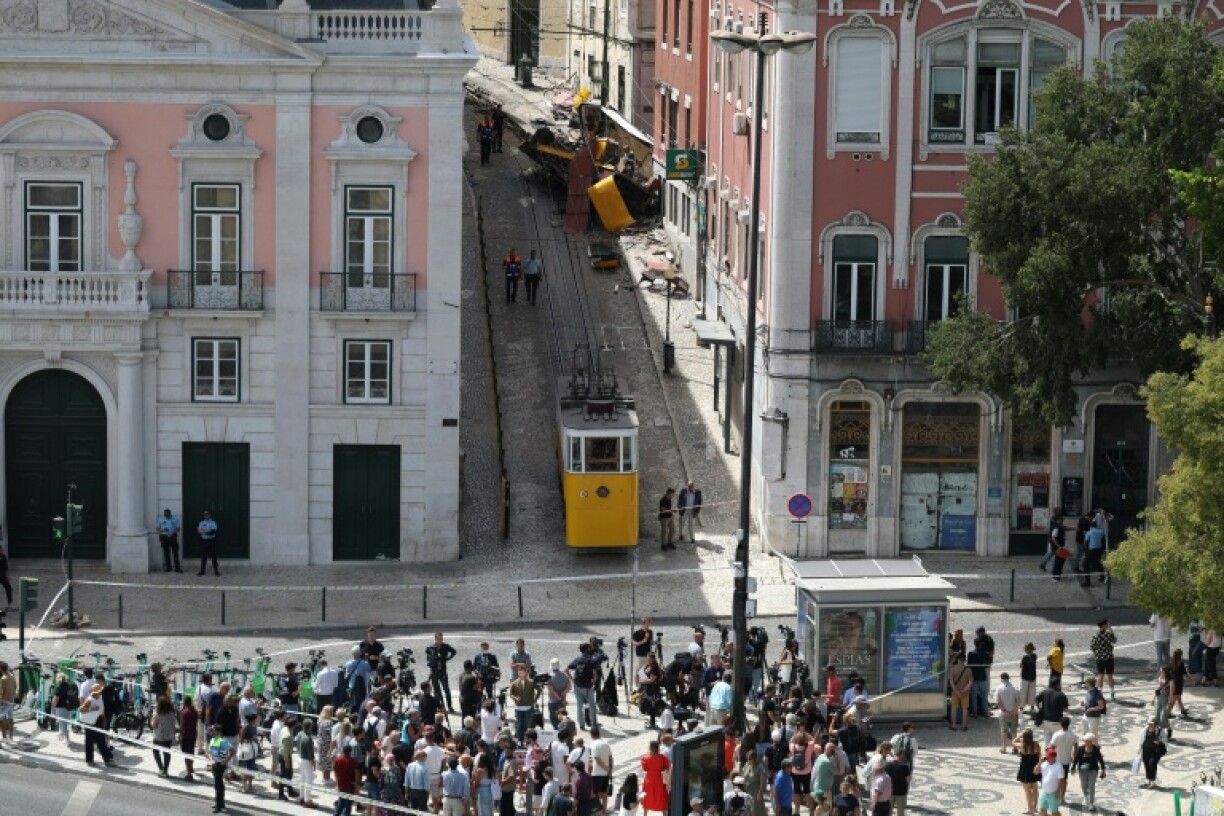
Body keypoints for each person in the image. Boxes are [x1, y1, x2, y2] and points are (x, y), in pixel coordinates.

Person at [80, 684, 115, 766]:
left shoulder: (100, 698)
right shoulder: (89, 699)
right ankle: (90, 759)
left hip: (98, 721)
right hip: (90, 722)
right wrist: (91, 709)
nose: (100, 692)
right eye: (99, 691)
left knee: (100, 741)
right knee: (90, 741)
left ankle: (107, 758)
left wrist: (104, 720)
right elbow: (81, 709)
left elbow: (102, 711)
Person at [1071, 733, 1105, 811]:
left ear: (1091, 741)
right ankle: (1086, 796)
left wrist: (1103, 769)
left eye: (1087, 741)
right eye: (1085, 740)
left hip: (1093, 770)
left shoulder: (1095, 749)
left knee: (1091, 786)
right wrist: (1073, 767)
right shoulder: (1081, 749)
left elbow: (1100, 759)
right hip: (1082, 770)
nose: (1085, 742)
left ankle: (1091, 802)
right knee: (1083, 786)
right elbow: (1077, 758)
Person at [1014, 727, 1042, 816]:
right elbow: (1040, 756)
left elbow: (1013, 742)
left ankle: (1030, 809)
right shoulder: (1036, 745)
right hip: (1034, 768)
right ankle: (1035, 807)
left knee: (1027, 791)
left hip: (1025, 769)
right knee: (1035, 789)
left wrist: (1019, 736)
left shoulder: (1023, 746)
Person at [427, 632, 458, 709]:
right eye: (439, 639)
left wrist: (447, 659)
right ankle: (439, 706)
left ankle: (450, 706)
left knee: (446, 689)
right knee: (436, 691)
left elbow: (454, 652)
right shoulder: (431, 648)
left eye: (441, 639)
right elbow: (428, 659)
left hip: (442, 671)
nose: (440, 640)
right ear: (435, 639)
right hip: (434, 672)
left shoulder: (445, 646)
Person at [640, 741, 670, 816]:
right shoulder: (663, 758)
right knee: (662, 798)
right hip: (660, 780)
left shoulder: (645, 758)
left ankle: (645, 814)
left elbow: (645, 768)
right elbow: (667, 767)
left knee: (647, 798)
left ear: (650, 748)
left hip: (649, 780)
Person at [1089, 621, 1117, 700]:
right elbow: (1114, 640)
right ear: (1104, 625)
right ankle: (1112, 693)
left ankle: (1100, 693)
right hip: (1109, 657)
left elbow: (1092, 647)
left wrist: (1096, 654)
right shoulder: (1108, 634)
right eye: (1107, 625)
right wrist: (1111, 629)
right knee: (1110, 675)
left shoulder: (1095, 635)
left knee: (1100, 675)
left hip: (1099, 658)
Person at [151, 695, 177, 777]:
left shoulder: (157, 713)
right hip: (168, 737)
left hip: (158, 737)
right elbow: (174, 724)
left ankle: (160, 768)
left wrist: (152, 721)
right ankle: (166, 769)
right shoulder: (171, 713)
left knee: (156, 752)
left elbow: (154, 725)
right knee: (167, 753)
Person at [995, 672, 1021, 753]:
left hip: (1004, 713)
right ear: (1008, 678)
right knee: (1014, 731)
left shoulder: (999, 688)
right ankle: (1015, 747)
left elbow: (998, 701)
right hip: (1013, 712)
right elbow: (1018, 701)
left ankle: (1003, 748)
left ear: (1001, 679)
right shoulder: (1015, 688)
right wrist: (1014, 711)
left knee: (1004, 731)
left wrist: (1004, 711)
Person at [590, 725, 613, 813]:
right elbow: (610, 757)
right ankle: (604, 812)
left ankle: (597, 812)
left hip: (597, 773)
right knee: (604, 794)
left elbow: (597, 760)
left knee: (595, 794)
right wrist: (610, 769)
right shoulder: (606, 743)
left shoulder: (594, 744)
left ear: (591, 735)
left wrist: (606, 768)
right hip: (605, 774)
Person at [209, 724, 232, 813]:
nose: (211, 731)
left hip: (220, 764)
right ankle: (220, 803)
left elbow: (232, 751)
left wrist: (226, 760)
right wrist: (211, 761)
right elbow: (210, 752)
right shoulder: (213, 740)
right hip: (215, 764)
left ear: (217, 731)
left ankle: (218, 805)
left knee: (218, 785)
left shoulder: (222, 741)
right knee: (218, 785)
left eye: (213, 730)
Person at [1139, 717, 1167, 788]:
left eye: (1152, 724)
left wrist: (1159, 742)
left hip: (1155, 751)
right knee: (1146, 764)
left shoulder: (1160, 731)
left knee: (1152, 764)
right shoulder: (1145, 730)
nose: (1151, 725)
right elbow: (1141, 739)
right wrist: (1139, 749)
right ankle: (1148, 780)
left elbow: (1165, 741)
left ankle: (1152, 781)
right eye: (1149, 724)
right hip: (1146, 750)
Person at [1037, 747, 1064, 816]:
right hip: (1044, 791)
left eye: (1048, 757)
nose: (1047, 758)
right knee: (1042, 810)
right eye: (1046, 757)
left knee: (1054, 812)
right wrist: (1040, 762)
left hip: (1053, 792)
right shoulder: (1044, 764)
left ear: (1053, 757)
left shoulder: (1059, 766)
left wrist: (1058, 791)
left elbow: (1061, 780)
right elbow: (1035, 772)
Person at [948, 654, 972, 731]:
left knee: (954, 708)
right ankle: (964, 725)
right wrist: (964, 690)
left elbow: (951, 682)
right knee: (965, 709)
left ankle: (954, 725)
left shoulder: (953, 669)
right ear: (964, 660)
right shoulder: (968, 670)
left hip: (955, 692)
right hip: (965, 693)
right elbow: (970, 682)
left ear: (957, 660)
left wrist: (956, 691)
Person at [334, 744, 359, 816]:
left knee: (341, 802)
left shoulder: (338, 759)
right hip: (350, 785)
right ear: (350, 752)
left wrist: (337, 782)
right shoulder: (352, 760)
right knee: (348, 805)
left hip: (341, 784)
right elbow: (357, 771)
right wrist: (356, 783)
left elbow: (335, 771)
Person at [297, 717, 317, 807]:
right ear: (310, 727)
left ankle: (301, 797)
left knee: (302, 779)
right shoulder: (308, 739)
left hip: (300, 758)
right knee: (309, 781)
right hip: (306, 760)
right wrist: (313, 762)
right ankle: (308, 800)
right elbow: (310, 754)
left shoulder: (299, 734)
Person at [156, 507, 183, 572]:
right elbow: (157, 528)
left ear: (170, 514)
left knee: (175, 552)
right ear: (164, 514)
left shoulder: (175, 519)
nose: (167, 516)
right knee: (166, 552)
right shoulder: (160, 519)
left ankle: (177, 568)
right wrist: (162, 530)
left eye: (168, 515)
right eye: (166, 515)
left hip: (172, 536)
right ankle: (168, 567)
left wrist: (172, 533)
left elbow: (178, 528)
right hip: (164, 536)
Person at [179, 692, 199, 781]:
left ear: (184, 702)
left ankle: (189, 773)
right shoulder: (194, 711)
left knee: (186, 754)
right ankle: (191, 768)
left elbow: (182, 725)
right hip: (194, 734)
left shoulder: (184, 712)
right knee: (191, 752)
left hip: (186, 736)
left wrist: (180, 736)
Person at [196, 510, 220, 576]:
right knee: (203, 557)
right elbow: (199, 532)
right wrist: (207, 531)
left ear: (210, 515)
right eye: (205, 515)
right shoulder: (201, 523)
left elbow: (213, 532)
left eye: (207, 515)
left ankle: (216, 570)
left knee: (214, 557)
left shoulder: (213, 523)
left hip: (212, 541)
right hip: (204, 541)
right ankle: (202, 570)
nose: (206, 516)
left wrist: (204, 531)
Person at [1169, 648, 1190, 719]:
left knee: (1178, 698)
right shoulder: (1181, 664)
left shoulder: (1171, 663)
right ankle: (1168, 712)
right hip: (1178, 683)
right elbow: (1185, 674)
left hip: (1173, 682)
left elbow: (1170, 673)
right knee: (1174, 699)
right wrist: (1191, 680)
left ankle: (1182, 710)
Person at [1020, 642, 1038, 714]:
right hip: (1033, 676)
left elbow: (1021, 666)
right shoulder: (1034, 656)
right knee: (1032, 692)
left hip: (1025, 677)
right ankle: (1032, 706)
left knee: (1023, 692)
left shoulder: (1025, 657)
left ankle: (1021, 707)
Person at [0, 662, 15, 741]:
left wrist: (1, 700)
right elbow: (15, 687)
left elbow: (2, 691)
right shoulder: (12, 677)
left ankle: (4, 737)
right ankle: (11, 737)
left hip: (4, 702)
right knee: (10, 718)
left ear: (1, 669)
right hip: (11, 701)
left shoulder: (3, 679)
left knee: (0, 718)